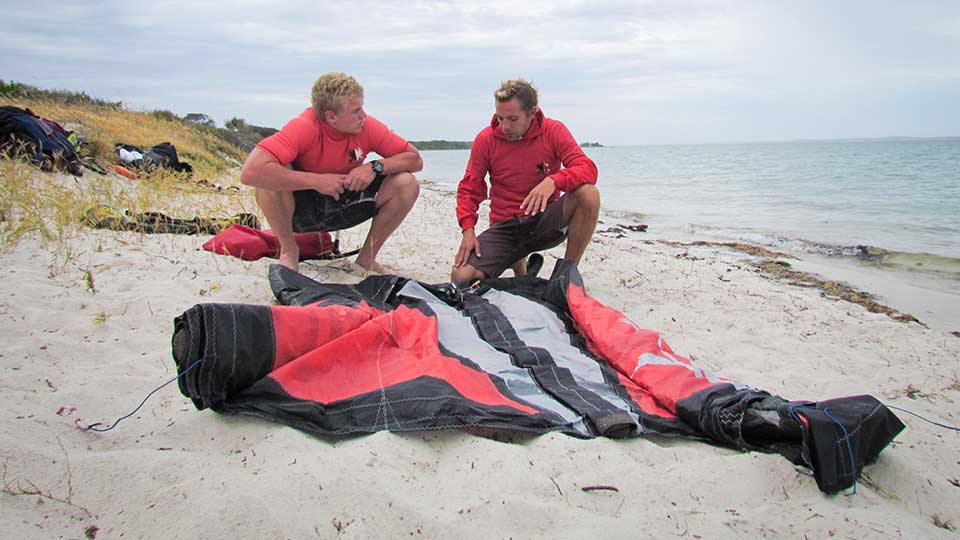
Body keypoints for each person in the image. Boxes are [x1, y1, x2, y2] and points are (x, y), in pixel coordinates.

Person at [241, 72, 422, 273]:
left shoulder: (366, 126)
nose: (363, 115)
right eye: (356, 110)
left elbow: (414, 159)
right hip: (301, 208)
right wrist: (317, 181)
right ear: (331, 116)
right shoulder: (304, 126)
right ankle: (289, 251)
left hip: (346, 201)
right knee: (270, 178)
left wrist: (374, 167)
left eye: (362, 107)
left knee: (407, 182)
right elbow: (250, 172)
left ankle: (366, 259)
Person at [452, 79, 599, 282]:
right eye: (500, 118)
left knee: (588, 194)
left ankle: (565, 276)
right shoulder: (486, 139)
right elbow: (469, 187)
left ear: (532, 112)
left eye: (513, 119)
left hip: (544, 222)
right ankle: (521, 268)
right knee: (461, 278)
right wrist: (468, 231)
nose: (505, 126)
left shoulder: (553, 130)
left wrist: (554, 181)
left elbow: (587, 168)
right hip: (506, 227)